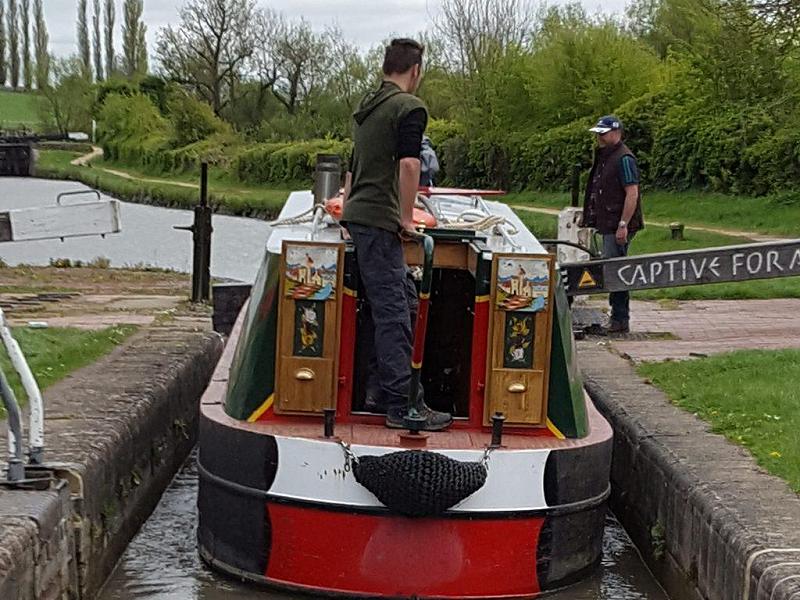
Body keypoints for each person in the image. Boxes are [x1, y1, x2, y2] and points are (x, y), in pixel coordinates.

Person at [342, 38, 452, 431]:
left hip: (361, 216)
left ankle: (377, 389)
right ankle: (402, 406)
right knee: (393, 314)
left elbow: (354, 168)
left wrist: (348, 200)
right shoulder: (409, 107)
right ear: (416, 70)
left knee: (401, 300)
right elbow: (409, 165)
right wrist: (406, 218)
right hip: (379, 220)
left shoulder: (368, 108)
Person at [582, 115, 645, 334]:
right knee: (613, 267)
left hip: (616, 224)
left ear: (616, 133)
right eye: (598, 133)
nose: (599, 137)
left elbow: (632, 193)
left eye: (603, 133)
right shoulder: (607, 156)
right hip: (607, 222)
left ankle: (620, 319)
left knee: (617, 270)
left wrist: (623, 224)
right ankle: (617, 317)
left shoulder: (624, 158)